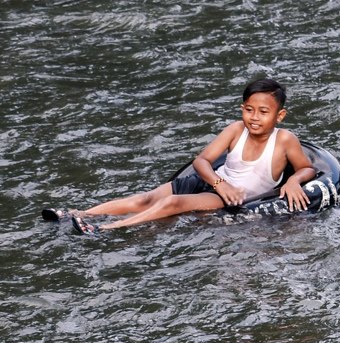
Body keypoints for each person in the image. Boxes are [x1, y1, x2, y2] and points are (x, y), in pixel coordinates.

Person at [46, 78, 316, 234]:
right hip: (216, 182)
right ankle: (75, 213)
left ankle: (104, 230)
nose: (254, 117)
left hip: (227, 196)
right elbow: (201, 161)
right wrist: (220, 182)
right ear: (242, 108)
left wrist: (292, 182)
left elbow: (306, 169)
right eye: (248, 109)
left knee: (172, 202)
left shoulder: (284, 140)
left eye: (263, 112)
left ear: (279, 115)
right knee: (146, 198)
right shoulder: (236, 129)